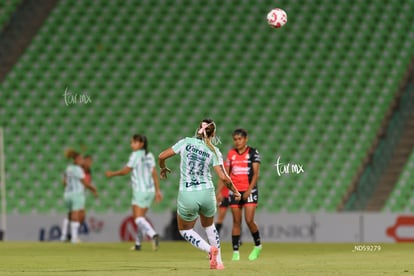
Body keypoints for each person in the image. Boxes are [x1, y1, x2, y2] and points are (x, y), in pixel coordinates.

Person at [158, 118, 241, 270]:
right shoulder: (214, 151)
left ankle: (209, 250)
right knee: (209, 227)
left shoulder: (186, 142)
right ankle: (220, 263)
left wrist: (163, 168)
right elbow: (223, 177)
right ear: (213, 133)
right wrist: (235, 191)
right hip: (207, 193)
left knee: (185, 230)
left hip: (188, 193)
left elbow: (161, 156)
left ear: (199, 129)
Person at [105, 134, 162, 251]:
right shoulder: (150, 156)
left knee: (137, 219)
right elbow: (154, 174)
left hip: (140, 191)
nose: (131, 144)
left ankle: (153, 235)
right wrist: (157, 191)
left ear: (141, 144)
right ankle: (138, 244)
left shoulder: (135, 155)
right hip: (150, 191)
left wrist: (113, 174)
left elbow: (126, 170)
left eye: (134, 142)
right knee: (141, 218)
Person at [225, 128, 262, 261]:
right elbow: (227, 174)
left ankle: (258, 246)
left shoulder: (253, 153)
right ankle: (235, 252)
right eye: (235, 139)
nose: (237, 142)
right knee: (236, 221)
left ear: (246, 139)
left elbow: (256, 174)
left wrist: (248, 190)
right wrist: (228, 190)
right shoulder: (231, 154)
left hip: (249, 190)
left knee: (249, 220)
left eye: (240, 139)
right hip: (235, 191)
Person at [60, 149, 98, 243]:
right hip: (76, 194)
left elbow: (64, 181)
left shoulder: (68, 168)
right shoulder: (78, 169)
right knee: (76, 216)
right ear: (76, 160)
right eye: (80, 159)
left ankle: (64, 236)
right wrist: (93, 189)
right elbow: (84, 182)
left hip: (67, 194)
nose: (82, 161)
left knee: (69, 215)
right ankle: (74, 237)